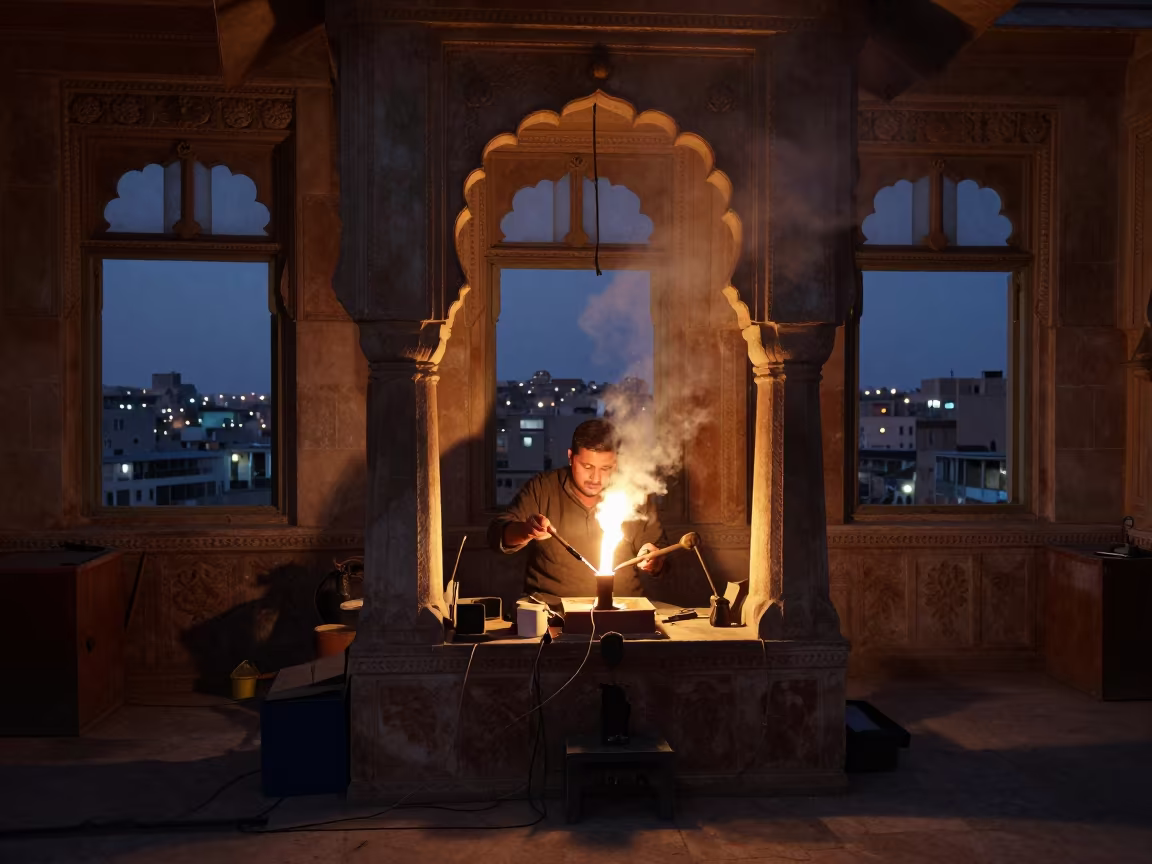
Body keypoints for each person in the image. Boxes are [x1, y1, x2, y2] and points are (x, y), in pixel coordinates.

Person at [487, 418, 666, 600]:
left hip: (623, 610)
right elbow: (496, 535)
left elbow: (661, 553)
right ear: (571, 457)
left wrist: (654, 558)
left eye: (606, 468)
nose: (596, 478)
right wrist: (526, 531)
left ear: (617, 464)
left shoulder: (633, 493)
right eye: (587, 466)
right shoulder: (542, 489)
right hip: (553, 613)